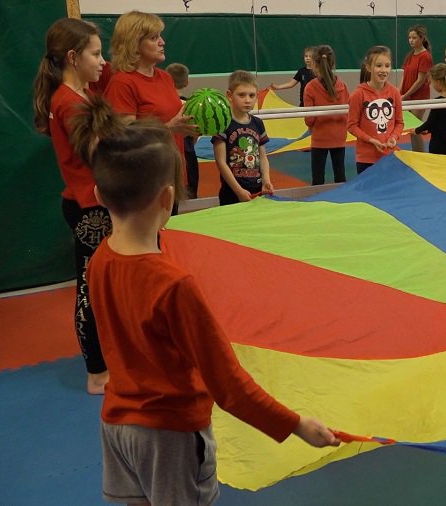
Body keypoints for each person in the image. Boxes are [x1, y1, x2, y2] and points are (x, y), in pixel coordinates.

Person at [68, 97, 340, 506]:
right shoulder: (173, 284)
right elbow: (228, 384)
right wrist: (297, 424)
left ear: (97, 193)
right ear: (167, 199)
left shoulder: (100, 261)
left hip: (116, 428)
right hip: (170, 438)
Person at [31, 17, 110, 395]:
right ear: (73, 56)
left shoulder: (78, 97)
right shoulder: (68, 102)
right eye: (96, 54)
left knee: (105, 286)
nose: (102, 61)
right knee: (90, 290)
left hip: (95, 205)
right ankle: (96, 372)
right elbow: (101, 154)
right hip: (90, 210)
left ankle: (109, 358)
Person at [103, 10, 197, 207]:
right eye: (154, 38)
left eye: (160, 36)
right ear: (134, 44)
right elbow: (123, 137)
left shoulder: (165, 77)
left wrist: (193, 127)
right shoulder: (123, 82)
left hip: (170, 171)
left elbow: (174, 120)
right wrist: (169, 128)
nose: (162, 42)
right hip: (143, 179)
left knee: (166, 234)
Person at [213, 70, 273, 205]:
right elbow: (221, 162)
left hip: (257, 189)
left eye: (252, 95)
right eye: (241, 95)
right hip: (232, 192)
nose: (247, 100)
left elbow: (262, 156)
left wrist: (266, 180)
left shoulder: (258, 123)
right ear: (229, 95)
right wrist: (238, 190)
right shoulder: (224, 124)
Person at [348, 46, 404, 174]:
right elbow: (352, 126)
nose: (383, 70)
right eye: (379, 66)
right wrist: (371, 140)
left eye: (387, 66)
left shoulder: (394, 92)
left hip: (389, 156)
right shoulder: (358, 95)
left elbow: (399, 122)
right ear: (369, 67)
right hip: (366, 159)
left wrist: (394, 138)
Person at [304, 45, 350, 185]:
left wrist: (312, 124)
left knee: (317, 178)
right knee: (340, 175)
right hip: (339, 136)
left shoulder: (311, 87)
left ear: (315, 64)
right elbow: (348, 113)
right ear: (333, 63)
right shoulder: (342, 85)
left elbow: (309, 119)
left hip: (320, 137)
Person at [165, 62, 201, 199]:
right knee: (189, 193)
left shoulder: (167, 105)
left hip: (170, 151)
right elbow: (195, 134)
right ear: (187, 82)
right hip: (188, 152)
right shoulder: (191, 106)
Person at [400, 25, 433, 152]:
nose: (411, 40)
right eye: (409, 38)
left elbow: (420, 80)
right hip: (407, 95)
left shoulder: (425, 56)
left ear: (421, 38)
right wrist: (399, 92)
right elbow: (404, 74)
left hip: (419, 97)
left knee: (415, 128)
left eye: (414, 38)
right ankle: (416, 151)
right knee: (410, 128)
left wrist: (406, 94)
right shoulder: (410, 55)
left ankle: (419, 153)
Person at [414, 64, 446, 155]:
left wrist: (416, 130)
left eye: (431, 82)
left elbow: (430, 122)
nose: (431, 85)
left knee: (437, 164)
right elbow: (442, 121)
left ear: (438, 82)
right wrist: (428, 130)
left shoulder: (438, 102)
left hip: (439, 140)